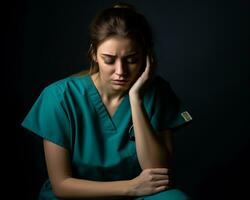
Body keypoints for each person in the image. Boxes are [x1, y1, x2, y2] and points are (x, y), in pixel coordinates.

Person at [21, 2, 193, 200]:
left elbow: (158, 173)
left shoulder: (158, 93)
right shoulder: (59, 97)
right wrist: (130, 187)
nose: (121, 71)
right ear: (94, 54)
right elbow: (61, 185)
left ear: (147, 57)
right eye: (109, 60)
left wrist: (136, 98)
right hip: (77, 195)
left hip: (141, 194)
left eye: (132, 59)